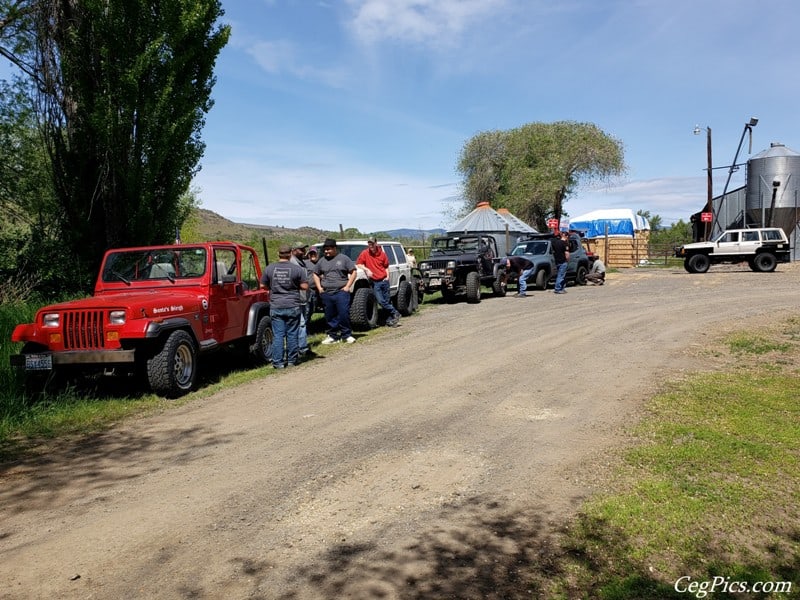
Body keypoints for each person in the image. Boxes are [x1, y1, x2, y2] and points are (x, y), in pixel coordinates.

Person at [259, 244, 308, 368]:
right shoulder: (297, 269)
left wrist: (273, 287)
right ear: (290, 253)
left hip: (276, 306)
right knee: (292, 333)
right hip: (293, 305)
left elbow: (262, 286)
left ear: (278, 254)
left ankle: (278, 362)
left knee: (278, 335)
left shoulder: (270, 268)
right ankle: (292, 360)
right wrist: (294, 285)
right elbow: (305, 286)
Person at [312, 238, 358, 344]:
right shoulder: (322, 261)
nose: (326, 252)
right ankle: (332, 336)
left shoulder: (344, 259)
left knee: (343, 313)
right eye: (325, 250)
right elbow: (315, 273)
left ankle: (346, 335)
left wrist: (347, 286)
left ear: (334, 248)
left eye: (328, 249)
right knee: (330, 315)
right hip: (327, 293)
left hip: (341, 292)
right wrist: (319, 288)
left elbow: (353, 272)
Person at [357, 236, 401, 327]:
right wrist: (366, 269)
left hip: (384, 280)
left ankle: (389, 321)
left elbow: (386, 266)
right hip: (375, 282)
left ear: (376, 243)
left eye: (372, 243)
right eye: (369, 243)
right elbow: (359, 264)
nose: (371, 245)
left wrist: (387, 276)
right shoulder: (365, 253)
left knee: (387, 301)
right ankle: (395, 312)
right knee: (381, 301)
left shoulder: (382, 254)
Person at [289, 241, 315, 357]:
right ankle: (302, 349)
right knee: (301, 324)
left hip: (303, 297)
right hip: (297, 298)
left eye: (304, 249)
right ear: (294, 250)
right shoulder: (293, 263)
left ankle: (299, 347)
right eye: (301, 249)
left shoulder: (301, 262)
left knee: (302, 323)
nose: (303, 251)